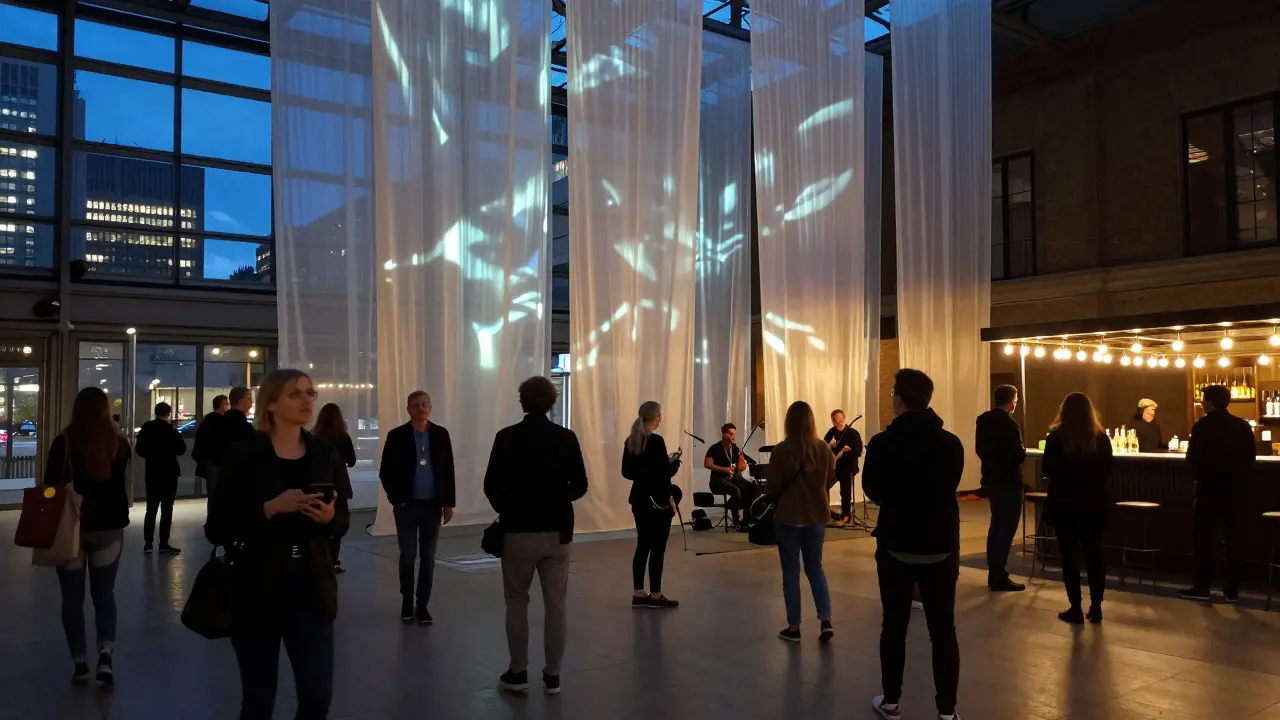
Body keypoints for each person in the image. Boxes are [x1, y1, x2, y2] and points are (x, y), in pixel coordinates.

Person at [205, 369, 350, 720]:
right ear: (271, 404)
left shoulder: (324, 452)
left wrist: (329, 518)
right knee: (259, 698)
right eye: (295, 394)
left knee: (317, 697)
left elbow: (343, 519)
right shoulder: (244, 455)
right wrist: (269, 509)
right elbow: (217, 528)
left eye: (310, 393)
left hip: (312, 588)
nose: (306, 400)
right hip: (257, 588)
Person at [863, 368, 964, 720]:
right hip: (941, 546)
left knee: (894, 626)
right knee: (943, 630)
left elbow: (872, 490)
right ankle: (947, 712)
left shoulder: (881, 443)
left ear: (899, 398)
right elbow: (950, 486)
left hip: (896, 545)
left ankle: (891, 702)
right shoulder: (950, 443)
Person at [484, 376, 589, 695]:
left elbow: (491, 485)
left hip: (517, 532)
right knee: (556, 604)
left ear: (522, 401)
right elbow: (581, 485)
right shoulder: (565, 438)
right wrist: (557, 499)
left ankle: (518, 671)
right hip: (558, 532)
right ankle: (553, 675)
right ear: (552, 402)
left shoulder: (506, 437)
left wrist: (510, 507)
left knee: (516, 601)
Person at [44, 387, 131, 685]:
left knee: (72, 598)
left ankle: (79, 661)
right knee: (104, 595)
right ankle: (105, 656)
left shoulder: (64, 442)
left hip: (72, 528)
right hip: (108, 530)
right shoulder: (119, 443)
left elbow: (50, 487)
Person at [379, 390, 456, 625]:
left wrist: (448, 503)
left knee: (428, 557)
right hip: (407, 506)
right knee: (408, 556)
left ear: (430, 407)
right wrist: (397, 499)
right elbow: (386, 471)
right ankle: (406, 601)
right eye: (416, 405)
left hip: (433, 505)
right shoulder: (397, 436)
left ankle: (422, 604)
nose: (421, 408)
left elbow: (448, 470)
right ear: (408, 409)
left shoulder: (440, 434)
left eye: (425, 404)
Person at [767, 401, 837, 643]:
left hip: (788, 517)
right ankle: (826, 620)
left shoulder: (781, 451)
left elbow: (773, 486)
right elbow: (830, 480)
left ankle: (794, 627)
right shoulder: (824, 450)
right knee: (815, 568)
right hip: (817, 516)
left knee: (790, 572)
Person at [1181, 384, 1256, 603]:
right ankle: (1231, 589)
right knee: (1233, 538)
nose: (1202, 403)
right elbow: (1251, 457)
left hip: (1208, 489)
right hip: (1235, 489)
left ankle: (1203, 587)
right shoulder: (1241, 425)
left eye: (1203, 400)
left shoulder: (1202, 426)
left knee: (1204, 538)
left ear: (1211, 402)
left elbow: (1192, 458)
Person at [1043, 392, 1112, 625]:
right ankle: (1097, 606)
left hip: (1066, 505)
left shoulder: (1057, 438)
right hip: (1094, 504)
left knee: (1069, 557)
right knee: (1094, 555)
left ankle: (1075, 606)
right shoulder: (1100, 438)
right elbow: (1108, 470)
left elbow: (1047, 470)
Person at [621, 401, 681, 609]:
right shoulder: (656, 441)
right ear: (655, 417)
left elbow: (627, 472)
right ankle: (655, 595)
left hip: (639, 499)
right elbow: (663, 474)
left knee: (642, 546)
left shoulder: (631, 440)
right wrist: (674, 465)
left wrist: (646, 472)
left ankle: (639, 593)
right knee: (658, 549)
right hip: (657, 501)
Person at [975, 385, 1027, 592]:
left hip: (990, 478)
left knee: (996, 525)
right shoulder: (1010, 425)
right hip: (1009, 481)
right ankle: (998, 573)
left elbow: (979, 449)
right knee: (1006, 527)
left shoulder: (983, 421)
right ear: (1012, 401)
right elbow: (1018, 455)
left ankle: (994, 570)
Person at [135, 401, 187, 555]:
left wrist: (152, 455)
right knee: (167, 509)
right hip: (169, 473)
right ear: (168, 413)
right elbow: (181, 449)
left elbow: (139, 449)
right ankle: (163, 543)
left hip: (152, 472)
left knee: (151, 509)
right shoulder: (171, 431)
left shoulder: (147, 428)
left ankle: (148, 543)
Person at [312, 403, 357, 574]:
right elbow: (351, 461)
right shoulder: (342, 437)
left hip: (318, 484)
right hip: (338, 483)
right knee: (338, 522)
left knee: (319, 522)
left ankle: (320, 559)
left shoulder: (313, 436)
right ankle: (332, 560)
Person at [704, 423, 754, 528]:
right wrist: (724, 469)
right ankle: (735, 519)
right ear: (723, 434)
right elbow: (707, 464)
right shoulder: (715, 448)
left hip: (732, 480)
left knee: (751, 488)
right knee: (736, 491)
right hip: (718, 480)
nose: (733, 437)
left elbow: (741, 468)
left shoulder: (735, 449)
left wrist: (740, 456)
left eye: (734, 434)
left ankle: (746, 520)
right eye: (731, 434)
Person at [824, 409, 864, 526]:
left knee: (845, 491)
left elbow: (859, 451)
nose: (837, 420)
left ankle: (846, 516)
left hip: (848, 467)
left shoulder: (852, 433)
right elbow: (822, 447)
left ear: (843, 418)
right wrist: (829, 445)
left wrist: (849, 450)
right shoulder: (832, 432)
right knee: (824, 485)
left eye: (839, 417)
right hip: (834, 467)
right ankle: (827, 513)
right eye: (834, 419)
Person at [192, 394, 228, 494]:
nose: (227, 407)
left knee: (213, 491)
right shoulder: (222, 422)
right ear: (221, 405)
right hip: (217, 462)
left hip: (209, 461)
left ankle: (212, 509)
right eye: (226, 404)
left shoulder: (206, 421)